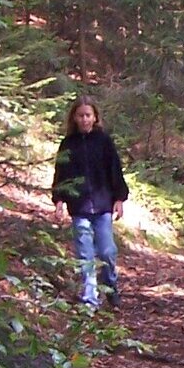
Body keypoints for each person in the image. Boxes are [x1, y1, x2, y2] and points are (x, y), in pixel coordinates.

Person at [52, 96, 129, 308]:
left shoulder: (103, 141)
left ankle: (111, 286)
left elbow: (115, 170)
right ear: (74, 118)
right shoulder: (68, 144)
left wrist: (119, 198)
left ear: (95, 117)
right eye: (80, 115)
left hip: (103, 205)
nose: (85, 119)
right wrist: (59, 200)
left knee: (107, 251)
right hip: (79, 208)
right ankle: (90, 299)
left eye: (88, 115)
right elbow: (61, 173)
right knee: (85, 254)